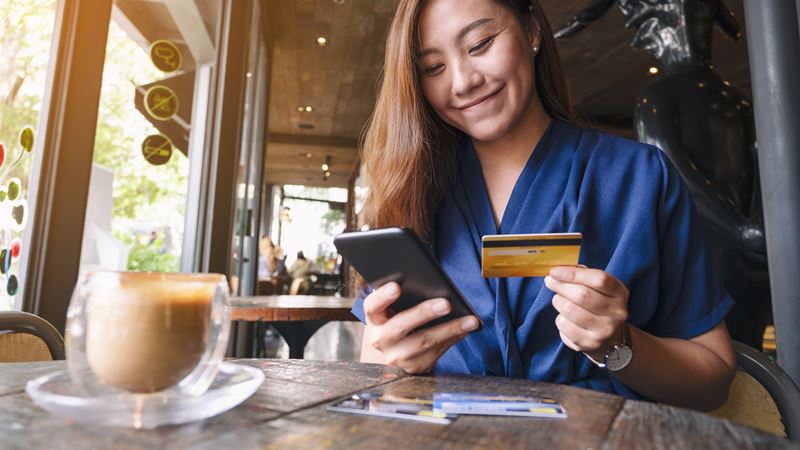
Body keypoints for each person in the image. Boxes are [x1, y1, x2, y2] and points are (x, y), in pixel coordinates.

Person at [352, 0, 736, 412]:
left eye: (480, 43)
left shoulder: (639, 178)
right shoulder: (411, 192)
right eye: (432, 68)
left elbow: (713, 383)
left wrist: (619, 345)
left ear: (532, 30)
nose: (462, 82)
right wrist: (397, 364)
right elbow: (376, 378)